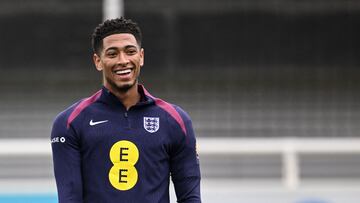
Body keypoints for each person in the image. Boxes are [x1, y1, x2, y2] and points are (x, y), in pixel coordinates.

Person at [50, 17, 201, 203]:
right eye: (112, 54)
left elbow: (190, 198)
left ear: (141, 56)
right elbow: (69, 198)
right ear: (98, 61)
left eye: (130, 51)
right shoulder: (69, 122)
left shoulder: (176, 120)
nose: (123, 60)